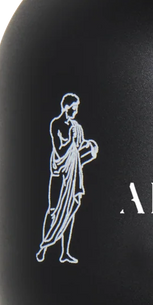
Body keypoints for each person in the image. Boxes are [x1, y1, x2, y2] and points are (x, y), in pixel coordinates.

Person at [36, 93, 98, 263]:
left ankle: (64, 253)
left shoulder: (76, 126)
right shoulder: (56, 124)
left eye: (77, 109)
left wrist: (89, 146)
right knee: (53, 210)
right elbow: (59, 150)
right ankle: (44, 247)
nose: (75, 112)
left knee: (70, 211)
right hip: (59, 171)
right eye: (73, 108)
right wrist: (71, 138)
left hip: (73, 172)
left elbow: (79, 146)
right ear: (65, 107)